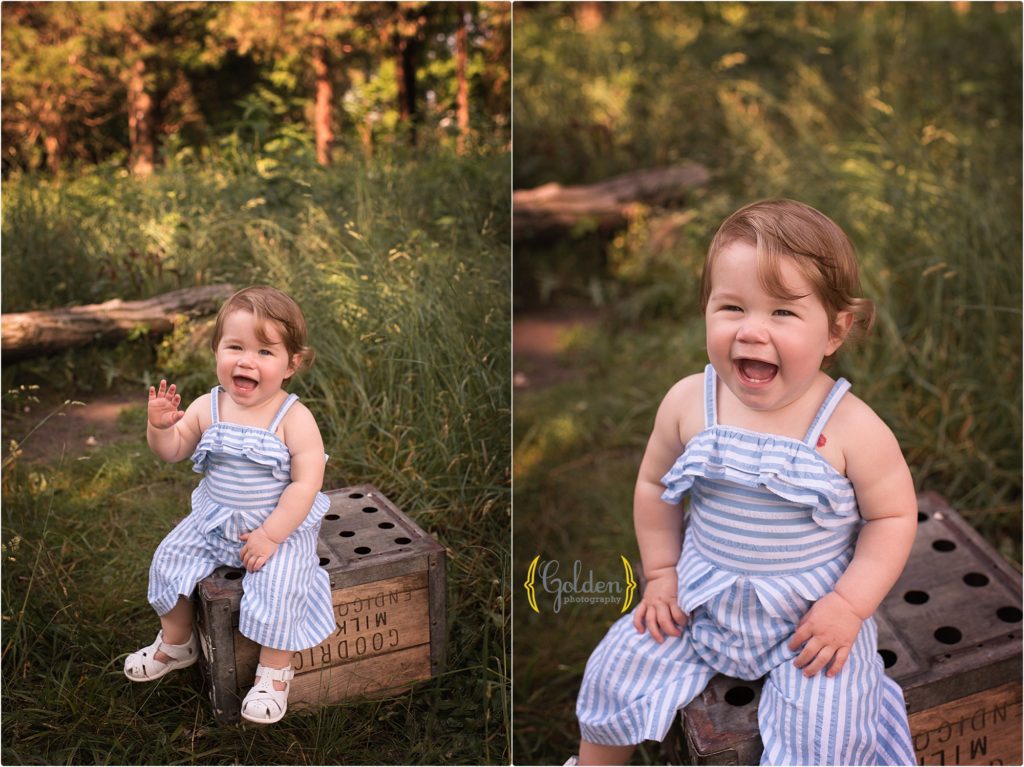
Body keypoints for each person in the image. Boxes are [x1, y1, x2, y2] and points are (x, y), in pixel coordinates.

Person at [572, 200, 918, 765]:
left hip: (809, 620)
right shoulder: (690, 402)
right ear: (706, 310)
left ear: (835, 330)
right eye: (732, 306)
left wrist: (848, 606)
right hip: (698, 603)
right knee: (615, 672)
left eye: (783, 312)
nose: (752, 330)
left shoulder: (851, 427)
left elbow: (893, 517)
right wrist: (661, 575)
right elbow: (654, 485)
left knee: (827, 731)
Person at [124, 285, 334, 725]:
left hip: (275, 528)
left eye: (264, 351)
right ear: (217, 350)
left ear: (291, 364)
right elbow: (174, 450)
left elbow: (306, 484)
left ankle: (274, 672)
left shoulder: (294, 418)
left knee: (282, 586)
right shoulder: (208, 406)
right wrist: (160, 428)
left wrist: (271, 535)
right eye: (235, 347)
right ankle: (177, 642)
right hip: (213, 522)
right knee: (168, 560)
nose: (246, 361)